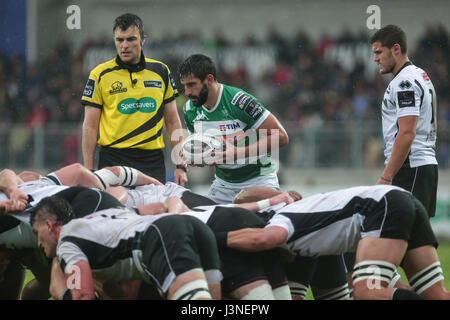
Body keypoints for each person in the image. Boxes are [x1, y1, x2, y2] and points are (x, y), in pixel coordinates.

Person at [220, 185, 450, 300]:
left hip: (383, 208)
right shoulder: (304, 217)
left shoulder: (282, 220)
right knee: (435, 293)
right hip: (399, 201)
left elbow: (265, 238)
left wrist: (214, 235)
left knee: (367, 292)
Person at [30, 196, 222, 300]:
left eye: (37, 233)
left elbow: (82, 295)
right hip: (195, 228)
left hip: (161, 237)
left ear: (49, 225)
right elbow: (159, 207)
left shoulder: (66, 242)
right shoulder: (102, 217)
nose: (38, 243)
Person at [81, 13, 187, 186]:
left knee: (153, 212)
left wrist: (181, 165)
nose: (124, 46)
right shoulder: (99, 74)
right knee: (114, 212)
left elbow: (173, 121)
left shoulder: (161, 71)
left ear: (143, 39)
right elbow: (90, 125)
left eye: (131, 39)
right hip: (112, 158)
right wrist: (89, 170)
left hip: (151, 160)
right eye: (119, 40)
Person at [178, 54, 289, 203]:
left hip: (259, 181)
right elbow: (206, 151)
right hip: (223, 186)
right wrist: (196, 158)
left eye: (192, 85)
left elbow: (281, 137)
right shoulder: (189, 110)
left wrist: (238, 153)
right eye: (184, 85)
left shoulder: (239, 101)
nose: (187, 92)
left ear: (209, 80)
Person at [371, 24, 438, 218]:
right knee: (415, 241)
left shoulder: (404, 82)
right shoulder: (420, 75)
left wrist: (387, 176)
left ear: (396, 49)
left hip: (411, 167)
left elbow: (407, 132)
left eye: (379, 52)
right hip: (421, 164)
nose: (375, 58)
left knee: (397, 236)